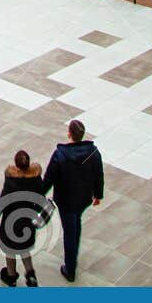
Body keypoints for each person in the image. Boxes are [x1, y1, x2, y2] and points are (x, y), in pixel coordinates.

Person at [43, 119, 103, 283]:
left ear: (69, 134)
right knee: (75, 222)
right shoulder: (93, 153)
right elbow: (99, 175)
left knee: (69, 231)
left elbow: (49, 179)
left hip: (65, 200)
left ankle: (70, 269)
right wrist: (98, 195)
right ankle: (73, 256)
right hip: (83, 198)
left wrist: (38, 195)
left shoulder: (60, 155)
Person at [0, 150, 49, 287]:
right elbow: (41, 200)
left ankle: (11, 276)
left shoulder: (11, 181)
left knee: (9, 250)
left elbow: (3, 201)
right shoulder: (36, 179)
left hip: (11, 220)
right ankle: (31, 274)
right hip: (27, 220)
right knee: (24, 248)